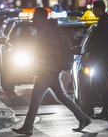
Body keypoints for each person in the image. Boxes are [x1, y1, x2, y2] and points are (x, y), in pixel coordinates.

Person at [12, 7, 91, 135]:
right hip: (50, 71)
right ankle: (83, 118)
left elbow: (49, 54)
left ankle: (28, 127)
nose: (33, 19)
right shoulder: (48, 30)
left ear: (42, 18)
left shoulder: (49, 32)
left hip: (47, 71)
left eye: (35, 16)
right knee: (62, 96)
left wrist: (42, 68)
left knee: (35, 98)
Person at [88, 0, 108, 120]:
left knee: (98, 83)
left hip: (102, 59)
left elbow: (100, 44)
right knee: (100, 83)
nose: (93, 11)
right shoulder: (107, 21)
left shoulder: (104, 22)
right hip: (105, 58)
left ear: (99, 9)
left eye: (94, 9)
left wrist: (94, 58)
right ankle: (107, 109)